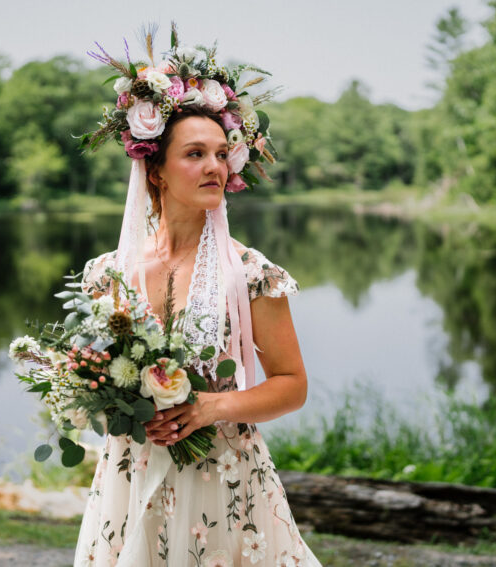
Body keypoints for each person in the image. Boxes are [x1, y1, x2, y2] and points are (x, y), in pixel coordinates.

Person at [74, 27, 321, 567]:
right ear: (155, 169)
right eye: (194, 153)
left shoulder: (253, 273)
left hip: (224, 486)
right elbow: (91, 375)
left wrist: (211, 406)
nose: (215, 166)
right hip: (130, 475)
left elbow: (292, 385)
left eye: (220, 152)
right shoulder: (106, 275)